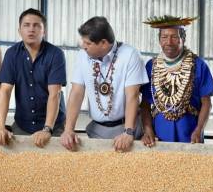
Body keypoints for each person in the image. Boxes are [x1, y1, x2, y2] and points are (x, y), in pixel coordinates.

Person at [60, 16, 148, 152]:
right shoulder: (83, 55)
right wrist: (68, 129)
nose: (83, 46)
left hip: (126, 127)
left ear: (103, 43)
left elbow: (133, 95)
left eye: (88, 43)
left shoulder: (130, 54)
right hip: (96, 129)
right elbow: (76, 92)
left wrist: (128, 132)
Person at [0, 8, 67, 148]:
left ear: (44, 31)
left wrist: (47, 129)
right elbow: (5, 91)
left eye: (36, 25)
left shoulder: (55, 54)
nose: (31, 29)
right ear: (19, 30)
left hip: (53, 126)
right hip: (23, 124)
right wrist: (0, 127)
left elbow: (55, 93)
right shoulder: (11, 54)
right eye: (26, 25)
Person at [140, 15, 213, 145]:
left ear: (183, 39)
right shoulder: (151, 66)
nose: (169, 42)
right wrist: (147, 130)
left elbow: (206, 103)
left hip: (191, 137)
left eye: (174, 37)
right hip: (159, 139)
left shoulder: (198, 65)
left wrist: (199, 129)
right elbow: (145, 105)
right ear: (159, 40)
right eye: (164, 37)